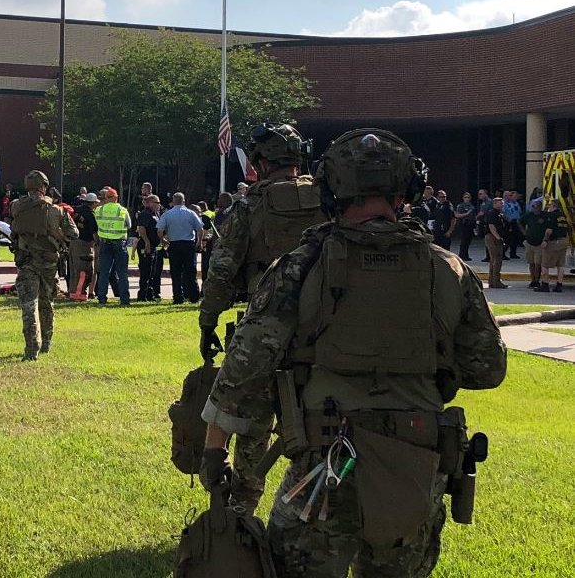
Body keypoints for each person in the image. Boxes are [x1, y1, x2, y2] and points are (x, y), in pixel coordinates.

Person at [199, 128, 506, 578]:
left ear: (331, 189)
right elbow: (488, 369)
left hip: (325, 466)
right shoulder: (447, 268)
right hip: (414, 464)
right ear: (408, 190)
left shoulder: (302, 266)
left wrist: (213, 452)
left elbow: (243, 369)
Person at [196, 123, 325, 513]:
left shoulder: (249, 206)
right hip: (324, 327)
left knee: (253, 421)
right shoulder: (329, 200)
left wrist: (207, 322)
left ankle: (242, 508)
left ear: (261, 162)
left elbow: (221, 270)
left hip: (265, 324)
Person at [10, 170, 78, 361]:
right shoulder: (57, 210)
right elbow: (74, 233)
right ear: (44, 186)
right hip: (48, 262)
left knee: (28, 305)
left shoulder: (16, 206)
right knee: (47, 302)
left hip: (26, 261)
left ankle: (32, 348)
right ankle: (46, 343)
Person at [157, 192, 204, 304]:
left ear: (173, 201)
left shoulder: (167, 214)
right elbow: (200, 229)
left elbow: (159, 230)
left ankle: (178, 297)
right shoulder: (190, 213)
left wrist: (163, 240)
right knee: (190, 272)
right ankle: (194, 296)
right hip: (188, 245)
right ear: (184, 201)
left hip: (174, 245)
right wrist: (199, 241)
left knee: (176, 272)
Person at [93, 186, 131, 306]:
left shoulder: (99, 210)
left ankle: (102, 299)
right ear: (116, 198)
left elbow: (96, 224)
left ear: (106, 198)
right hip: (119, 243)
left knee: (104, 272)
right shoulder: (122, 210)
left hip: (104, 243)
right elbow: (129, 225)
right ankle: (124, 300)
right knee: (122, 273)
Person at [69, 192, 99, 299]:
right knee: (84, 270)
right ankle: (79, 294)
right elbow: (94, 232)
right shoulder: (90, 215)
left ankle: (72, 292)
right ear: (93, 203)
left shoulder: (76, 210)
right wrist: (98, 243)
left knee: (73, 269)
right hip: (85, 245)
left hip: (73, 242)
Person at [135, 194, 162, 301]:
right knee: (145, 271)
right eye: (157, 203)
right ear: (150, 203)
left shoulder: (155, 214)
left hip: (154, 246)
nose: (159, 205)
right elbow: (141, 228)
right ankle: (142, 295)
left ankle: (150, 294)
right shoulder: (145, 214)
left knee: (152, 272)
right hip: (146, 246)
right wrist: (147, 242)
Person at [538, 199, 569, 293]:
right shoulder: (563, 216)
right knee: (561, 265)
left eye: (549, 205)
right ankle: (559, 285)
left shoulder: (551, 216)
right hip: (563, 241)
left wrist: (545, 241)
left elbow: (549, 230)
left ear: (554, 206)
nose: (548, 207)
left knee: (544, 264)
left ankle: (545, 285)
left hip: (554, 242)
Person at [520, 198, 547, 289]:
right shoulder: (529, 215)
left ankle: (537, 280)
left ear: (540, 207)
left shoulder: (544, 216)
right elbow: (519, 221)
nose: (535, 208)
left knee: (538, 263)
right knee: (531, 263)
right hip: (529, 243)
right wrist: (524, 232)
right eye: (533, 206)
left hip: (539, 244)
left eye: (536, 206)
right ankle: (532, 280)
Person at [484, 197, 507, 289]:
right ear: (494, 204)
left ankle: (493, 281)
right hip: (493, 237)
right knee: (497, 259)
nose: (502, 204)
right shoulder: (492, 213)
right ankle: (496, 281)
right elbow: (491, 226)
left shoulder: (499, 213)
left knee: (494, 259)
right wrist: (498, 238)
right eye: (500, 203)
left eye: (502, 203)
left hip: (496, 237)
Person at [454, 191, 476, 260]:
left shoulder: (471, 205)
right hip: (464, 224)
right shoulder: (461, 205)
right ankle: (462, 255)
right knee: (464, 240)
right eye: (465, 197)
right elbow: (457, 215)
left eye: (468, 197)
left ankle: (466, 255)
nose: (467, 199)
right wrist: (467, 213)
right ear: (463, 198)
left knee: (468, 241)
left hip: (470, 224)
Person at [502, 191, 523, 259]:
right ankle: (503, 253)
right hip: (508, 222)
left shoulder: (515, 203)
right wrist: (507, 219)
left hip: (516, 221)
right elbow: (502, 213)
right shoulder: (503, 204)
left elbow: (519, 212)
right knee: (507, 238)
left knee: (515, 238)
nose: (509, 197)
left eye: (510, 195)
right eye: (508, 195)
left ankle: (513, 253)